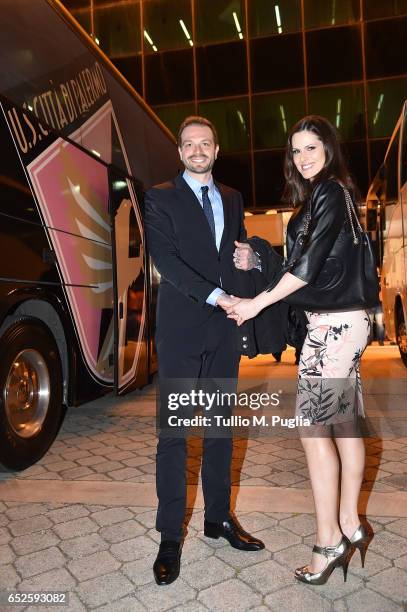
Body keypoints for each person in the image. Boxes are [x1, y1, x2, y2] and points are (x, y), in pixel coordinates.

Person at [226, 115, 372, 585]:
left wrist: (255, 304)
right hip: (347, 323)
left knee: (314, 433)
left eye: (312, 147)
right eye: (296, 150)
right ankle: (350, 523)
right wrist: (263, 258)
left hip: (330, 329)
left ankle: (329, 541)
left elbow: (307, 268)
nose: (303, 157)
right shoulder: (334, 196)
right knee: (345, 425)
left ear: (329, 149)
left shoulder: (329, 193)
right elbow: (306, 258)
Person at [145, 116, 264, 586]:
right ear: (180, 153)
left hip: (222, 331)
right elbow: (166, 260)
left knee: (220, 429)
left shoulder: (232, 198)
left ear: (216, 151)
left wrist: (249, 259)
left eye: (205, 143)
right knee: (174, 434)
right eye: (189, 144)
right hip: (180, 328)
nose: (197, 150)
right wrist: (219, 296)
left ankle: (218, 519)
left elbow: (233, 255)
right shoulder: (159, 197)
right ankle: (169, 536)